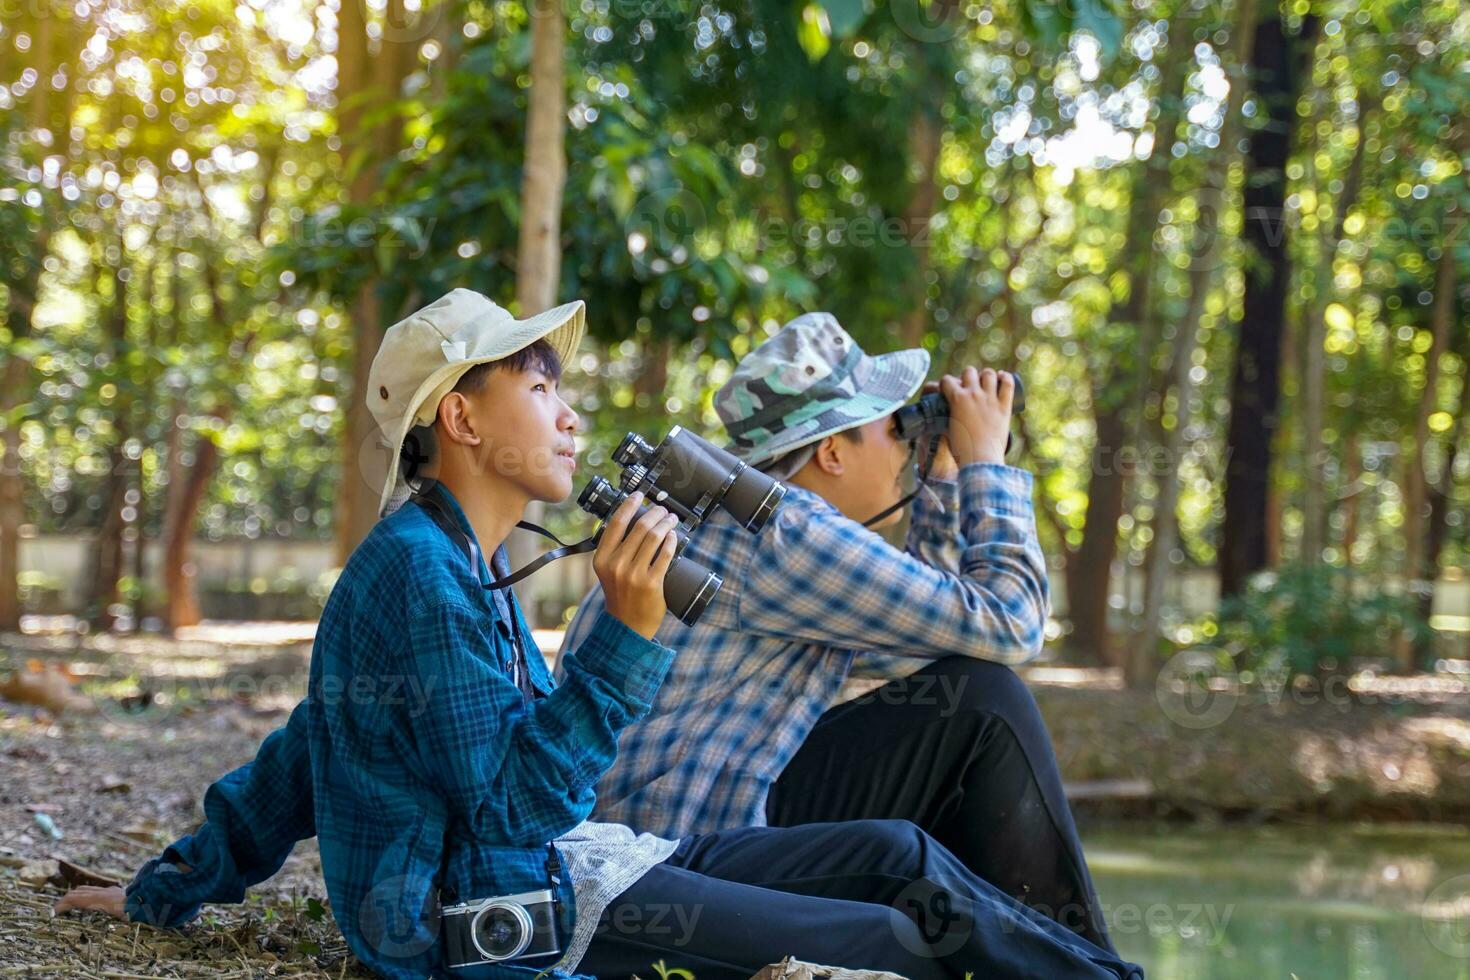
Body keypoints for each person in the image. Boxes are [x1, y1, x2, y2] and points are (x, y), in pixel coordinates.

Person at [56, 290, 1143, 980]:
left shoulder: (460, 564)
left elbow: (306, 752)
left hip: (587, 862)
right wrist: (629, 636)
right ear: (463, 419)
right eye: (538, 384)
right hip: (519, 912)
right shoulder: (415, 577)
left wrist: (167, 886)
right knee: (896, 939)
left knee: (898, 855)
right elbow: (513, 811)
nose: (569, 412)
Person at [560, 312, 1117, 952]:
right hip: (676, 851)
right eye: (891, 426)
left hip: (679, 823)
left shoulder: (739, 519)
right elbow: (1013, 625)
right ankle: (1086, 962)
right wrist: (986, 463)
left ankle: (1056, 961)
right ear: (830, 450)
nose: (904, 446)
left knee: (967, 696)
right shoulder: (783, 532)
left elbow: (936, 641)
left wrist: (940, 479)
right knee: (990, 702)